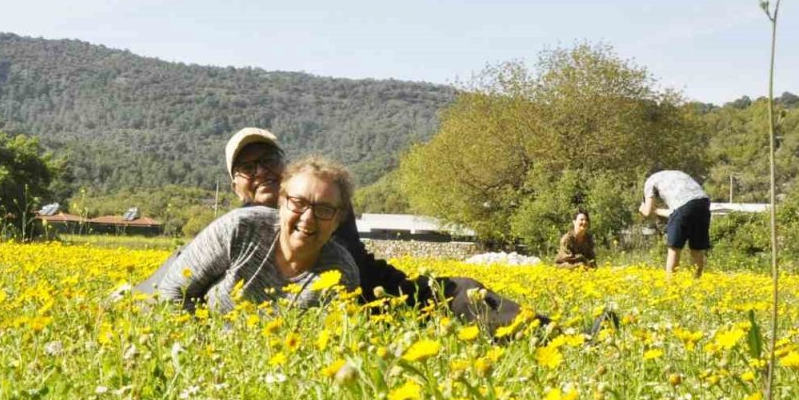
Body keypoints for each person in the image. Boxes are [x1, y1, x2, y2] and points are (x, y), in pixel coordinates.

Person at [144, 128, 541, 332]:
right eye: (247, 168)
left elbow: (358, 267)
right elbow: (173, 279)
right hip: (293, 319)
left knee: (463, 292)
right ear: (235, 186)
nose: (260, 170)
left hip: (363, 294)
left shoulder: (323, 198)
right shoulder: (235, 231)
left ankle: (565, 332)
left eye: (268, 160)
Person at [156, 156, 360, 311]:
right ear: (280, 203)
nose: (307, 218)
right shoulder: (239, 229)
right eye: (298, 203)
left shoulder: (341, 273)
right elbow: (171, 291)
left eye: (323, 210)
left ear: (337, 220)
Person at [639, 169, 711, 277]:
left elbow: (647, 211)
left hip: (683, 207)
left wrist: (642, 209)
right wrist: (657, 211)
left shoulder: (650, 181)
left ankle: (671, 284)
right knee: (697, 249)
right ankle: (696, 283)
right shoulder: (678, 174)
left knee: (674, 248)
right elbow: (682, 210)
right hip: (703, 204)